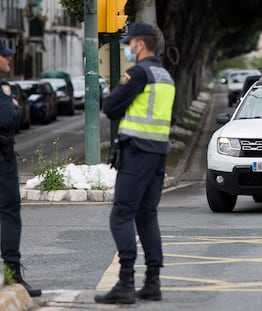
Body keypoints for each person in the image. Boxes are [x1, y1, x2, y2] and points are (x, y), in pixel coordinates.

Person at [94, 22, 175, 304]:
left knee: (122, 214)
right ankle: (153, 282)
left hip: (137, 153)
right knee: (146, 215)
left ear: (141, 44)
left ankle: (125, 281)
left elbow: (111, 106)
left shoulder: (139, 73)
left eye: (130, 44)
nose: (128, 48)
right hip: (158, 154)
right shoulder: (165, 76)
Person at [0, 41, 42, 297]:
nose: (9, 61)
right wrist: (13, 107)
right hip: (2, 161)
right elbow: (6, 118)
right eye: (5, 57)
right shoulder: (3, 89)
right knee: (10, 214)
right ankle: (13, 273)